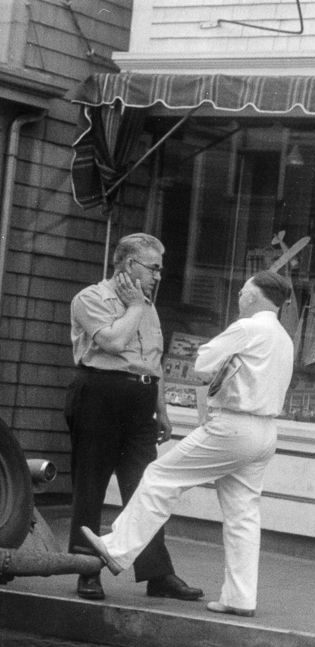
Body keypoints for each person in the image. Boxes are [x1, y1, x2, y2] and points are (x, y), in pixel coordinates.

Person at [81, 271, 295, 618]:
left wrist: (224, 365)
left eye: (242, 292)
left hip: (233, 424)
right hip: (266, 431)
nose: (239, 297)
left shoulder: (248, 327)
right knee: (243, 515)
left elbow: (204, 364)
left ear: (254, 297)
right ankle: (240, 598)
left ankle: (117, 549)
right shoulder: (283, 337)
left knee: (160, 477)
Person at [66, 233, 203, 602]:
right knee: (91, 483)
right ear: (129, 265)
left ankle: (157, 574)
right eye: (153, 268)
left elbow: (153, 360)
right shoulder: (90, 298)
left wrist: (162, 409)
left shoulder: (147, 306)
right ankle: (86, 571)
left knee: (146, 488)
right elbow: (111, 342)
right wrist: (134, 309)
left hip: (141, 399)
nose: (158, 276)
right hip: (99, 392)